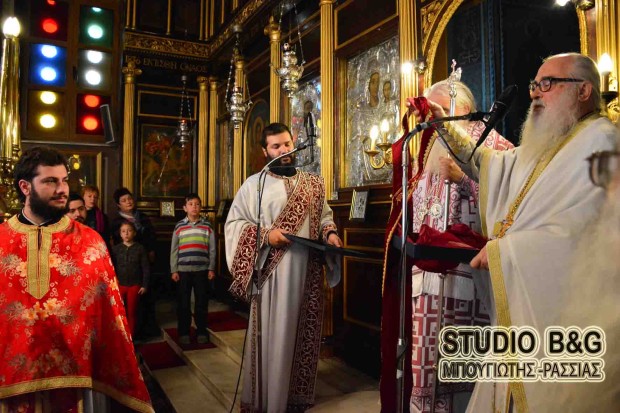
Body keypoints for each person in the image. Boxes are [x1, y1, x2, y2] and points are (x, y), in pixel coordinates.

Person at [413, 53, 619, 412]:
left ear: (584, 90)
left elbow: (587, 231)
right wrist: (442, 123)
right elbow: (489, 164)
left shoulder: (602, 143)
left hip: (568, 309)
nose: (535, 93)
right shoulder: (551, 144)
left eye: (547, 84)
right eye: (534, 85)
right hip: (527, 301)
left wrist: (504, 252)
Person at [380, 80, 514, 413]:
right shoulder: (431, 147)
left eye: (439, 111)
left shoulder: (496, 145)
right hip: (426, 277)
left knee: (461, 370)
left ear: (463, 109)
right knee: (425, 367)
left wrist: (464, 179)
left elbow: (511, 204)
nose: (432, 119)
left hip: (467, 275)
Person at [0, 146, 152, 412]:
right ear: (25, 187)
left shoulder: (90, 241)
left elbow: (110, 316)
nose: (62, 189)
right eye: (50, 181)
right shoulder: (1, 241)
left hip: (79, 377)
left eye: (64, 180)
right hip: (12, 378)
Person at [225, 122, 343, 412]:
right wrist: (266, 236)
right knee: (274, 339)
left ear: (294, 142)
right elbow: (235, 224)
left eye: (287, 144)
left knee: (300, 338)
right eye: (276, 146)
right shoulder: (254, 185)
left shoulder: (313, 183)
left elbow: (324, 216)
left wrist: (330, 233)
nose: (283, 150)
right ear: (265, 151)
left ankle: (294, 399)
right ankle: (270, 401)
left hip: (307, 275)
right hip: (272, 276)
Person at [110, 187, 159, 340]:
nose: (128, 202)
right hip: (126, 263)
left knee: (144, 297)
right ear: (119, 205)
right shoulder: (116, 221)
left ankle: (145, 329)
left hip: (143, 259)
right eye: (124, 200)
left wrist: (151, 250)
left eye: (130, 198)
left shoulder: (142, 217)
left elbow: (151, 236)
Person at [170, 194, 216, 345]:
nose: (194, 207)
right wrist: (174, 270)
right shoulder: (179, 226)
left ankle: (201, 330)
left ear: (200, 207)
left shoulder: (207, 226)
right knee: (183, 302)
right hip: (183, 270)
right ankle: (184, 332)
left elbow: (212, 249)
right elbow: (174, 250)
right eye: (190, 204)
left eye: (197, 204)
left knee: (201, 301)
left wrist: (211, 268)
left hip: (202, 269)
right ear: (185, 208)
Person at [111, 220, 150, 338]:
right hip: (119, 284)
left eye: (129, 231)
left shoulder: (140, 248)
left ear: (134, 233)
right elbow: (111, 267)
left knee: (132, 312)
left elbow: (145, 268)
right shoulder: (116, 249)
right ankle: (120, 336)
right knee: (119, 312)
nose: (126, 233)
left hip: (134, 284)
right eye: (123, 231)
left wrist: (145, 285)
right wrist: (113, 282)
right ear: (120, 234)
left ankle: (131, 337)